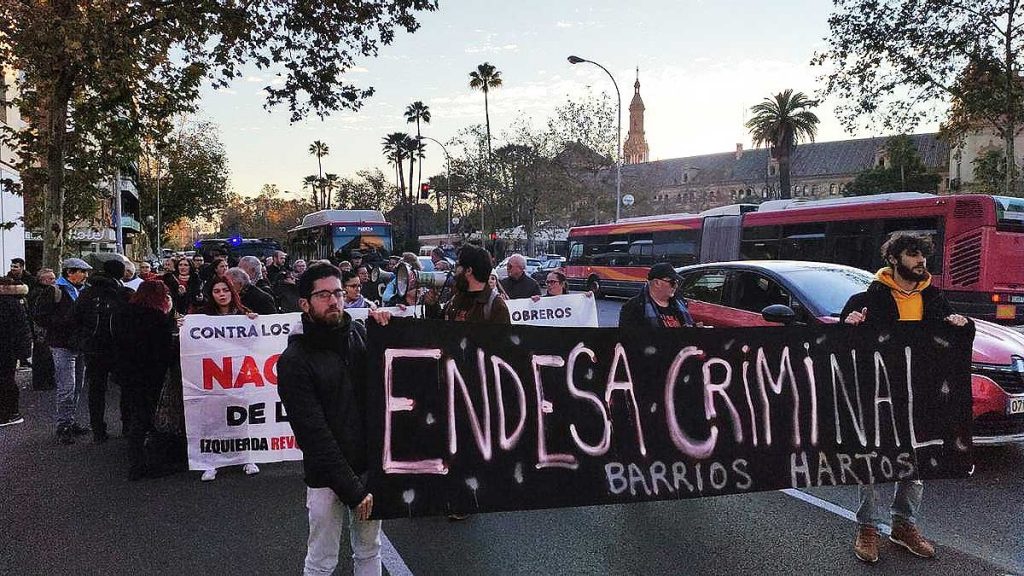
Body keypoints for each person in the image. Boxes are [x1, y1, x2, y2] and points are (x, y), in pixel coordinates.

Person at [840, 232, 968, 564]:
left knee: (916, 459)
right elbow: (844, 345)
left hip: (921, 395)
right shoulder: (868, 299)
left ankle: (904, 525)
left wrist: (961, 324)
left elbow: (955, 338)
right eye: (913, 255)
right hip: (877, 394)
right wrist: (849, 325)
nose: (921, 261)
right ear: (894, 259)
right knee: (870, 459)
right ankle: (867, 527)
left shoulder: (935, 299)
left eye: (923, 255)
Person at [277, 263, 392, 576]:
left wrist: (385, 332)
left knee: (370, 551)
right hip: (327, 479)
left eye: (339, 292)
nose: (334, 301)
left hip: (368, 469)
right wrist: (352, 490)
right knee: (322, 559)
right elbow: (314, 435)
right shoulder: (294, 361)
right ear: (305, 304)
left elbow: (388, 383)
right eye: (324, 295)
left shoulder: (358, 334)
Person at [192, 277, 262, 481]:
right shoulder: (202, 316)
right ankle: (211, 462)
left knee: (243, 417)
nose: (221, 294)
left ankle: (247, 457)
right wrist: (184, 326)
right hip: (214, 377)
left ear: (232, 292)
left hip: (240, 375)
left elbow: (257, 341)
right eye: (216, 291)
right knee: (213, 419)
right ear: (211, 294)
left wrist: (256, 322)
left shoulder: (244, 314)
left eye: (225, 290)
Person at [113, 280, 176, 480]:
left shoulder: (123, 313)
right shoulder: (157, 318)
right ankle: (148, 464)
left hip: (127, 372)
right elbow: (166, 351)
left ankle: (135, 461)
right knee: (150, 417)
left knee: (136, 417)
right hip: (150, 374)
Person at [74, 259, 133, 443]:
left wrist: (82, 339)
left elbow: (75, 318)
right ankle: (127, 426)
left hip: (93, 347)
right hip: (119, 347)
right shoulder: (124, 293)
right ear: (121, 273)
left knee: (96, 390)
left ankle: (98, 430)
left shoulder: (87, 293)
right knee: (126, 387)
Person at [36, 258, 93, 444]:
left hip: (80, 344)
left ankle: (70, 420)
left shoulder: (84, 290)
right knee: (66, 388)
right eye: (82, 272)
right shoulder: (54, 291)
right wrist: (66, 322)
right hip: (62, 345)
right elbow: (40, 317)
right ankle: (63, 426)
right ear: (70, 272)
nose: (85, 275)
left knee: (77, 387)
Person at [618, 263, 695, 328]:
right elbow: (628, 338)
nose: (676, 286)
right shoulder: (633, 307)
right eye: (672, 282)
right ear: (657, 283)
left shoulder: (680, 302)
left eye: (677, 282)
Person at [0, 277, 31, 427]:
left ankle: (9, 414)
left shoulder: (10, 304)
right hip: (9, 349)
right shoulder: (15, 302)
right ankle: (10, 413)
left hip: (7, 349)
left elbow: (22, 330)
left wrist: (22, 354)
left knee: (6, 381)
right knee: (7, 380)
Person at [28, 268, 57, 390]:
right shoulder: (40, 293)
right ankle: (42, 382)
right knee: (42, 355)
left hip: (41, 327)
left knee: (44, 355)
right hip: (41, 328)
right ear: (42, 279)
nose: (53, 281)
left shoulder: (40, 291)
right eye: (51, 278)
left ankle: (44, 381)